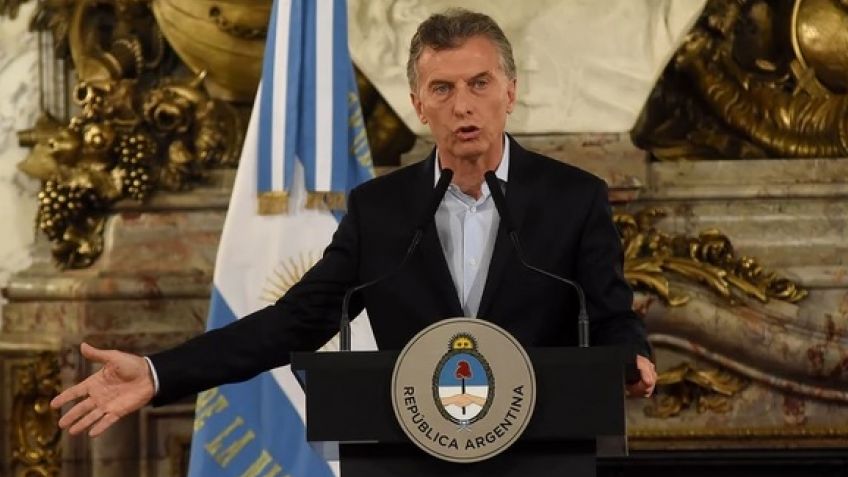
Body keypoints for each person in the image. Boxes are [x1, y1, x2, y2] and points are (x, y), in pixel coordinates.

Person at [51, 8, 657, 438]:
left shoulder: (573, 198)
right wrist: (158, 372)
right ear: (418, 105)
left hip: (541, 449)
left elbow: (609, 315)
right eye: (442, 88)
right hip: (415, 455)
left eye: (480, 83)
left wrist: (632, 357)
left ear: (510, 92)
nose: (463, 105)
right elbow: (294, 321)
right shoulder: (380, 209)